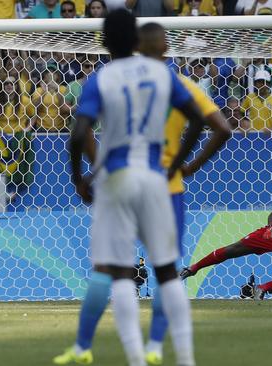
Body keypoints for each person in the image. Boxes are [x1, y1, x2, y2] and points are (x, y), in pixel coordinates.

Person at [53, 11, 206, 366]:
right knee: (167, 271)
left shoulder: (100, 79)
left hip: (116, 179)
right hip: (155, 178)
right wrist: (176, 162)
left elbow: (78, 134)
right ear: (137, 41)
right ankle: (185, 359)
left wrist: (79, 178)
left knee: (119, 271)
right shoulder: (161, 73)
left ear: (103, 42)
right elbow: (198, 119)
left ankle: (136, 359)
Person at [138, 22, 231, 366]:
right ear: (165, 49)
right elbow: (222, 128)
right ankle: (176, 353)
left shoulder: (120, 84)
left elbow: (88, 132)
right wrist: (187, 166)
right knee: (166, 271)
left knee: (114, 269)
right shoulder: (183, 85)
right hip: (169, 188)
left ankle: (136, 350)